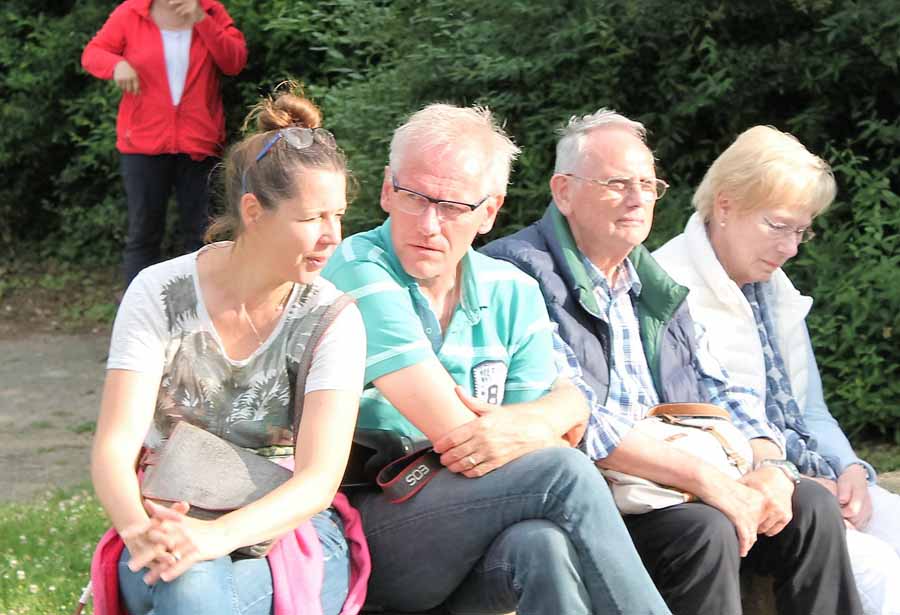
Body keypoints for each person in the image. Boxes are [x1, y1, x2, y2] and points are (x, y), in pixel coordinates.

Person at [482, 109, 863, 615]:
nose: (638, 198)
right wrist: (708, 481)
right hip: (601, 499)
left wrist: (772, 467)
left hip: (673, 487)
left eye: (647, 184)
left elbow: (721, 392)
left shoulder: (652, 282)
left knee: (809, 505)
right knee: (705, 529)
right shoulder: (519, 273)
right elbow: (577, 418)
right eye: (617, 184)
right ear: (564, 192)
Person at [322, 104, 671, 615]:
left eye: (453, 207)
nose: (429, 225)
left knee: (542, 546)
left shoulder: (513, 290)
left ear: (489, 212)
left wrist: (559, 411)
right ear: (386, 191)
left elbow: (526, 445)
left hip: (471, 529)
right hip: (369, 524)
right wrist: (556, 413)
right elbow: (461, 435)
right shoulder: (357, 268)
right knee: (564, 473)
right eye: (414, 197)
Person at [88, 90, 369, 615]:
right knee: (188, 584)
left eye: (338, 215)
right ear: (253, 211)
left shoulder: (333, 318)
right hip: (165, 519)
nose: (332, 236)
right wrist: (138, 530)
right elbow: (114, 445)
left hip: (287, 531)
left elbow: (317, 480)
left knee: (192, 591)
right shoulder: (159, 292)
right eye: (312, 218)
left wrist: (214, 538)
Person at [653, 124, 900, 614]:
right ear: (725, 205)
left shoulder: (775, 290)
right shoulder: (668, 290)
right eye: (778, 226)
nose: (791, 248)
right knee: (880, 572)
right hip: (734, 497)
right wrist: (795, 479)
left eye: (801, 231)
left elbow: (811, 411)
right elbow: (699, 430)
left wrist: (851, 467)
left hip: (809, 479)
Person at [82, 0, 247, 288]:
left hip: (199, 142)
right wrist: (116, 64)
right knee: (144, 234)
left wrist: (202, 20)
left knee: (202, 236)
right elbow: (93, 54)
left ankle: (202, 309)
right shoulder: (131, 12)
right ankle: (137, 309)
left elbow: (234, 62)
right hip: (142, 143)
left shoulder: (210, 11)